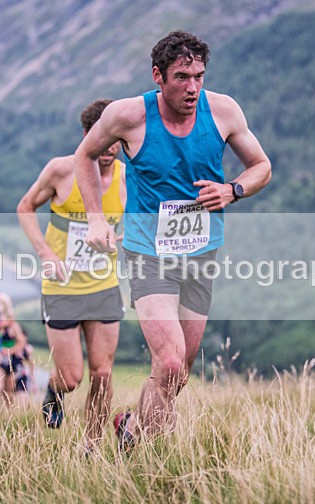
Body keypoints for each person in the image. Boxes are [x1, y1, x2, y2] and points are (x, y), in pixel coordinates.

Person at [75, 31, 272, 448]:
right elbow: (85, 155)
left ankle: (133, 433)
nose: (192, 87)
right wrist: (96, 219)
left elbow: (261, 166)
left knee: (175, 371)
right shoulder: (127, 115)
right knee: (168, 362)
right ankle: (155, 465)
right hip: (148, 252)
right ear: (158, 76)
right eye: (182, 76)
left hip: (201, 254)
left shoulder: (222, 111)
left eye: (199, 75)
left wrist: (233, 189)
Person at [16, 99, 126, 452]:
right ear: (87, 135)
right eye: (102, 140)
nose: (109, 150)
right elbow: (25, 207)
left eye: (116, 142)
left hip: (104, 286)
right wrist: (46, 253)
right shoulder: (61, 171)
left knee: (103, 373)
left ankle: (90, 446)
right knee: (71, 377)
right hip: (62, 288)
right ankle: (54, 391)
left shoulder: (129, 176)